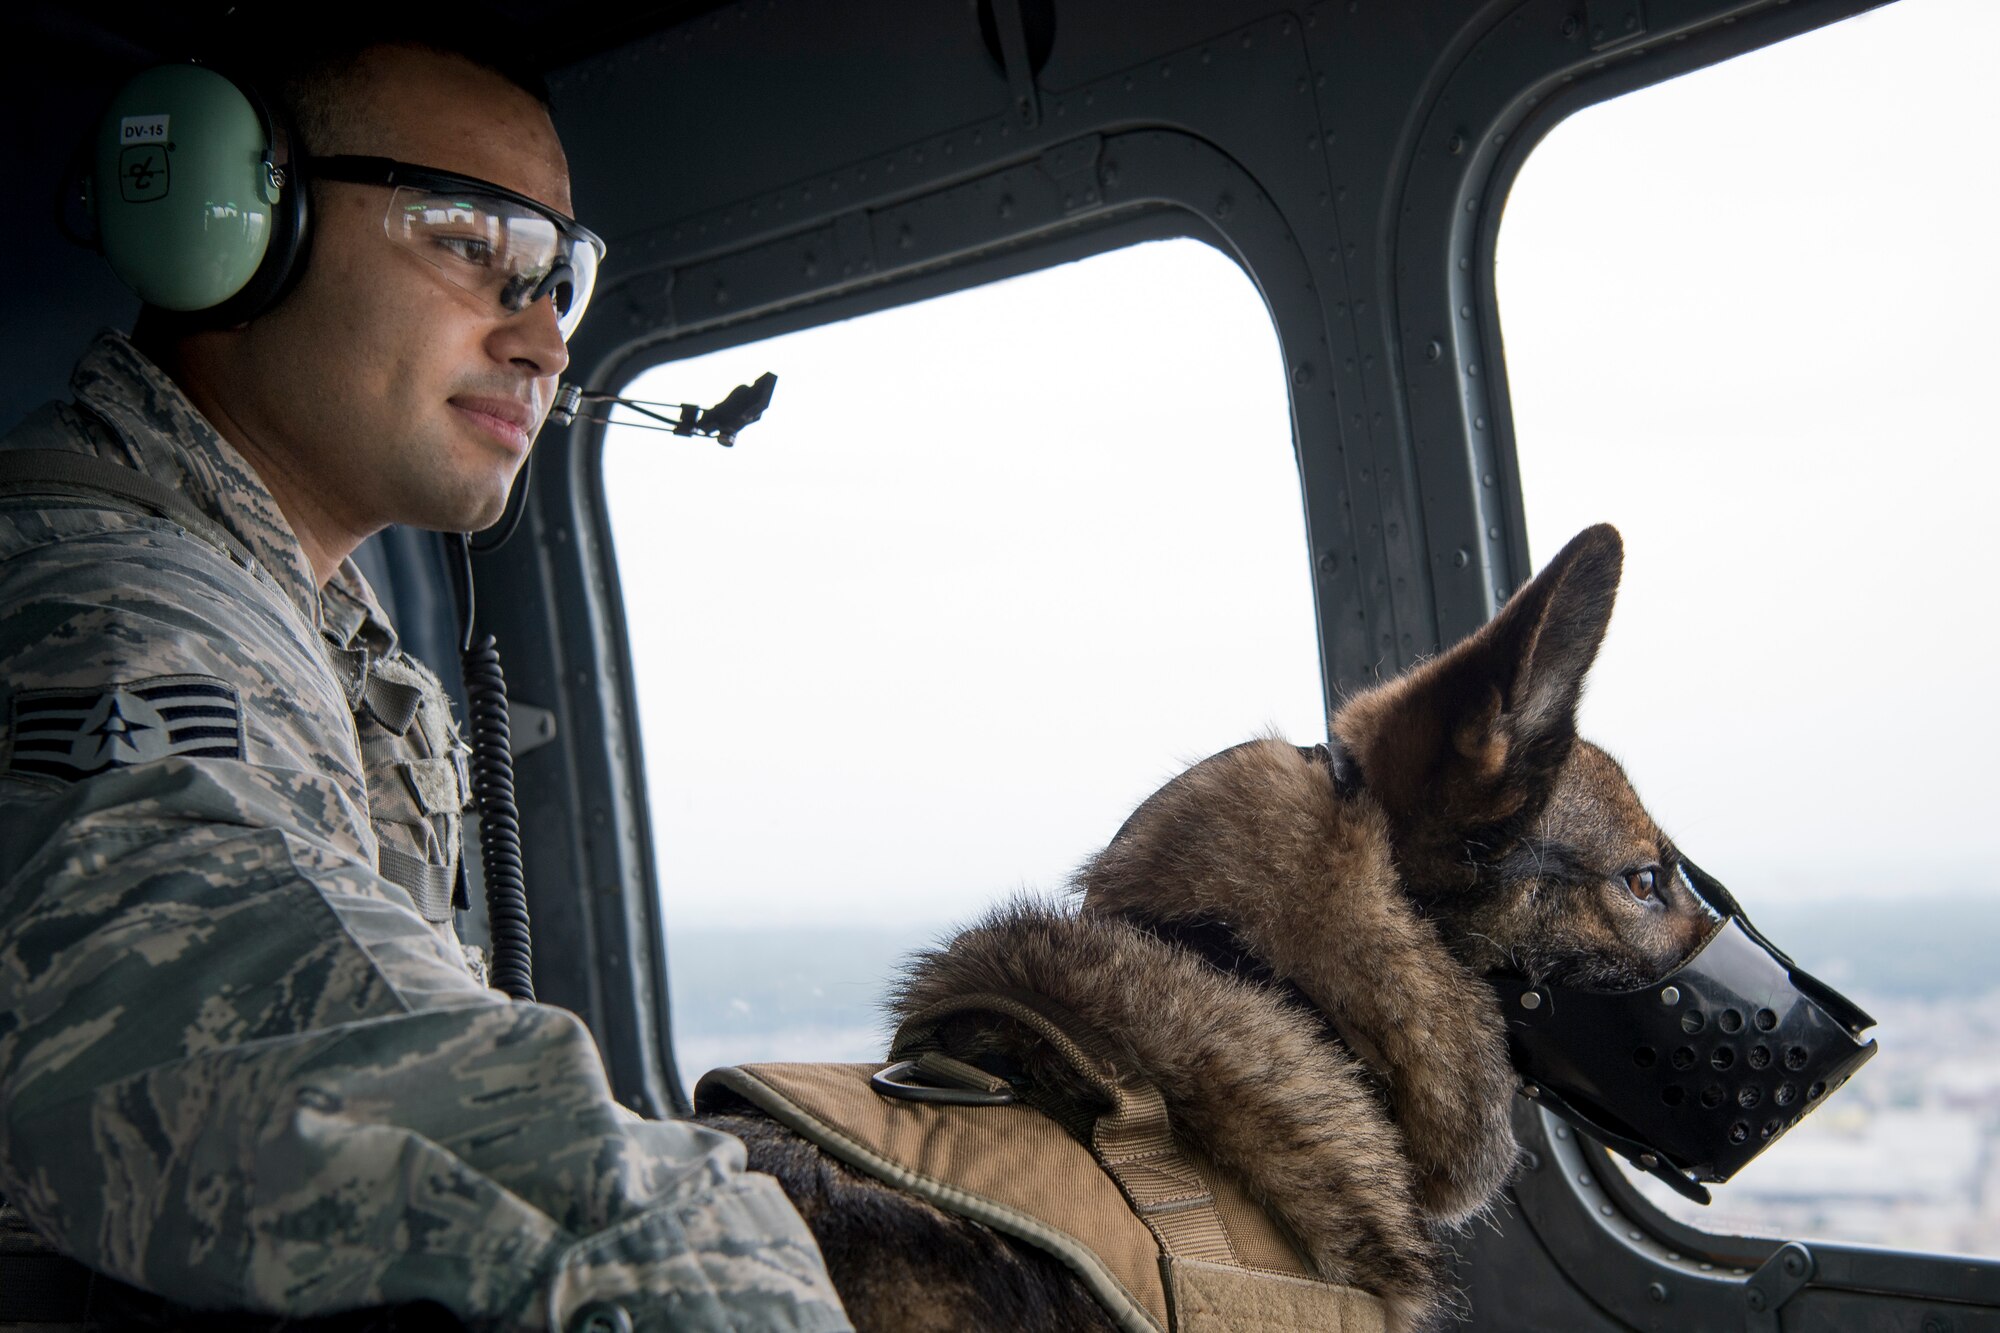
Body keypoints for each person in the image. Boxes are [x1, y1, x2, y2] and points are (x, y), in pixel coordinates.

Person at [0, 28, 852, 1333]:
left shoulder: (306, 621)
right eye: (472, 244)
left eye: (559, 277)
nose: (546, 344)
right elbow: (266, 1014)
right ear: (238, 231)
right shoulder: (102, 618)